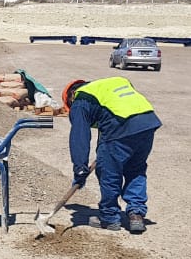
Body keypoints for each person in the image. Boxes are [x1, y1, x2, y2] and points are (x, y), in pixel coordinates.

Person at [62, 77, 161, 233]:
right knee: (135, 169)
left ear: (71, 97)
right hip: (147, 123)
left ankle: (109, 218)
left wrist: (79, 167)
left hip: (121, 126)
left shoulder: (80, 100)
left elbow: (79, 135)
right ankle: (136, 214)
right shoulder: (112, 85)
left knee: (108, 172)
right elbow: (109, 123)